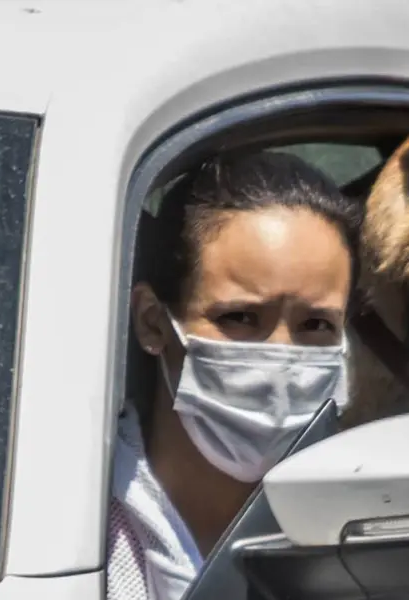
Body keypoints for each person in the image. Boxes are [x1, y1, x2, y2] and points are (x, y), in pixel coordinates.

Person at [107, 150, 360, 600]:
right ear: (152, 322)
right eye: (241, 317)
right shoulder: (78, 536)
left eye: (316, 326)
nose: (282, 359)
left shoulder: (368, 541)